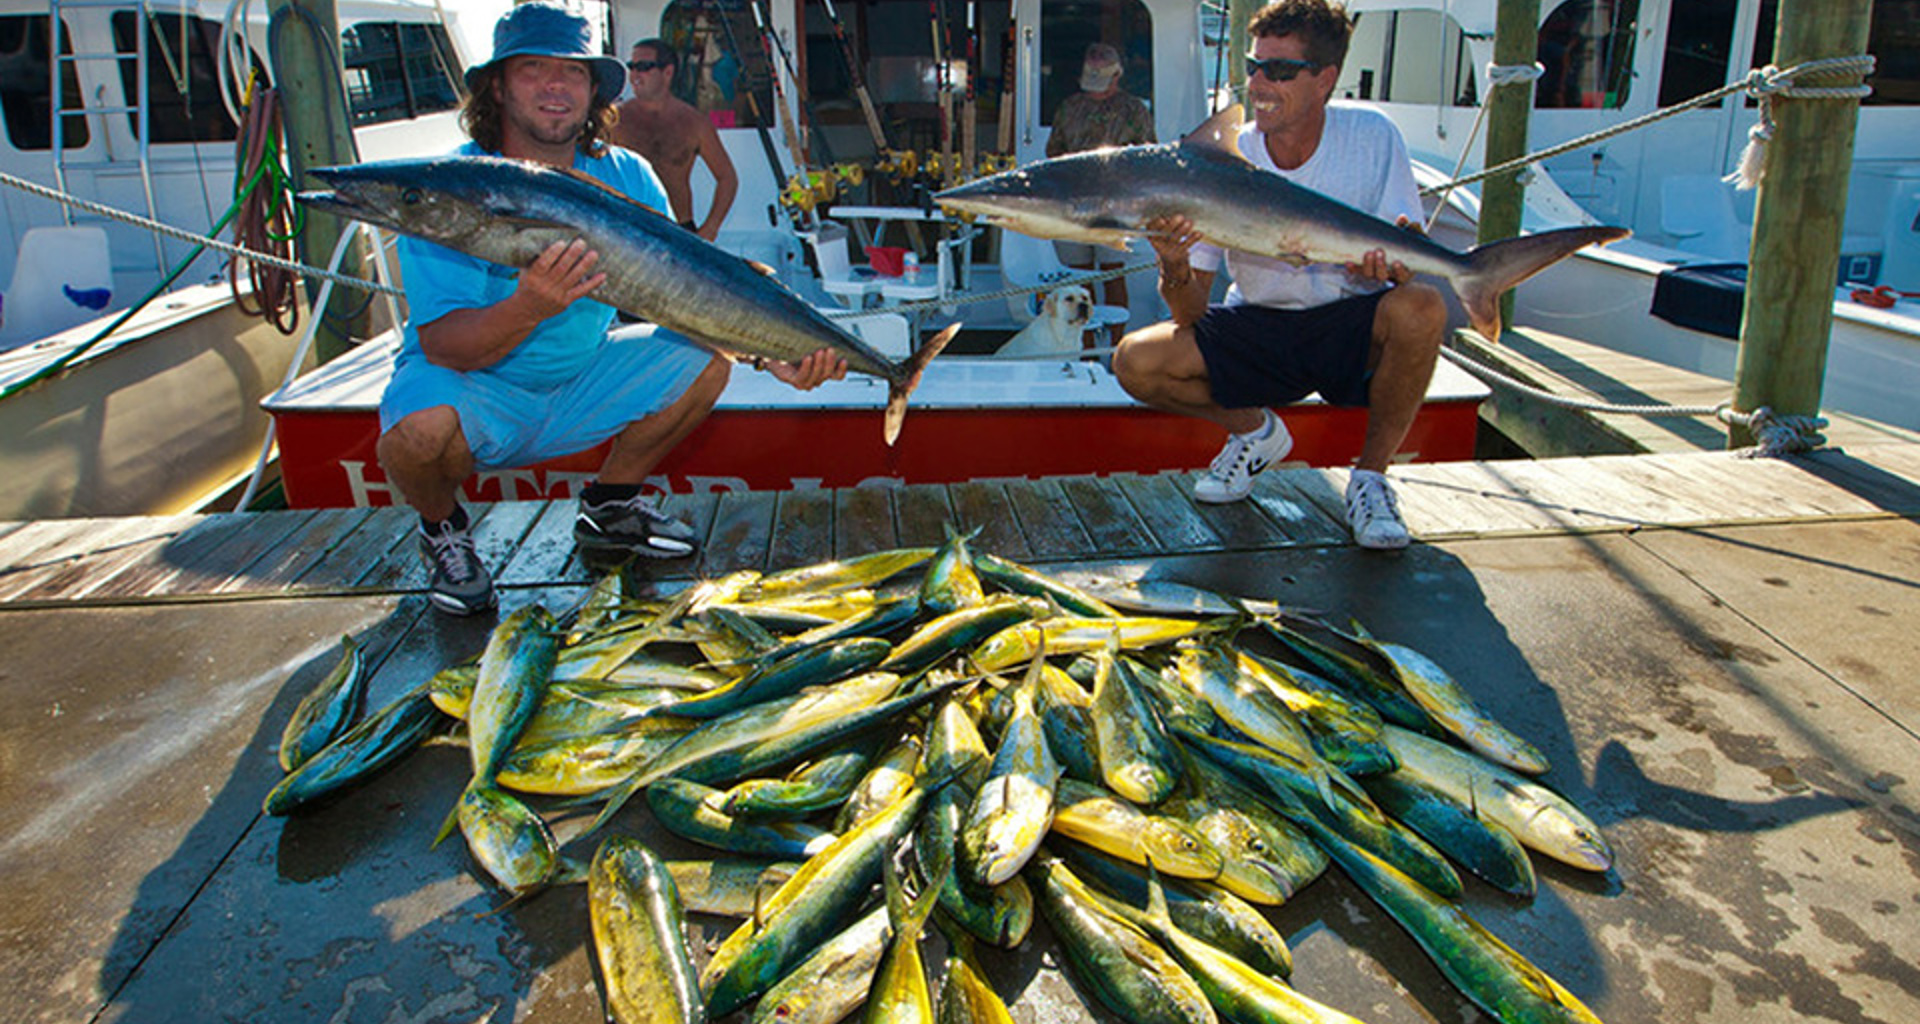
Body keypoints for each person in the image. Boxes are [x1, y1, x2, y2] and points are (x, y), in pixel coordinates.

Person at [378, 3, 843, 615]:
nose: (554, 86)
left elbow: (678, 290)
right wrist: (529, 306)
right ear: (496, 85)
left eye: (571, 72)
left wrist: (769, 353)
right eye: (532, 69)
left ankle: (611, 508)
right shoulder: (454, 187)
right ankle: (443, 531)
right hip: (477, 390)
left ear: (593, 88)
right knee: (418, 432)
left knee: (706, 361)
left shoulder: (628, 174)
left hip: (580, 380)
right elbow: (443, 347)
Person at [1111, 0, 1444, 551]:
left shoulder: (1372, 138)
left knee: (1423, 305)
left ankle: (1371, 479)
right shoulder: (1224, 160)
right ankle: (1255, 433)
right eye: (1253, 64)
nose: (1260, 81)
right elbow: (1192, 315)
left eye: (1281, 70)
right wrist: (1172, 260)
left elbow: (1402, 264)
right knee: (1134, 361)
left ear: (1325, 80)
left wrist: (1394, 272)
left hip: (1344, 323)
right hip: (1257, 324)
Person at [1045, 42, 1155, 345]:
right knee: (1079, 278)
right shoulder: (1069, 108)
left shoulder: (1135, 110)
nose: (1095, 91)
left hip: (1116, 208)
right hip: (1074, 205)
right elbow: (1054, 153)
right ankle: (1087, 349)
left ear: (1117, 76)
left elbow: (1148, 159)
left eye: (1102, 84)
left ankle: (1118, 349)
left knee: (1112, 273)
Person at [611, 37, 739, 242]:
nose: (634, 74)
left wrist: (710, 228)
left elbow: (727, 178)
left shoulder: (695, 123)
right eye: (631, 66)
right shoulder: (613, 120)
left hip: (680, 232)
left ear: (668, 72)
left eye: (643, 67)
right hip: (629, 231)